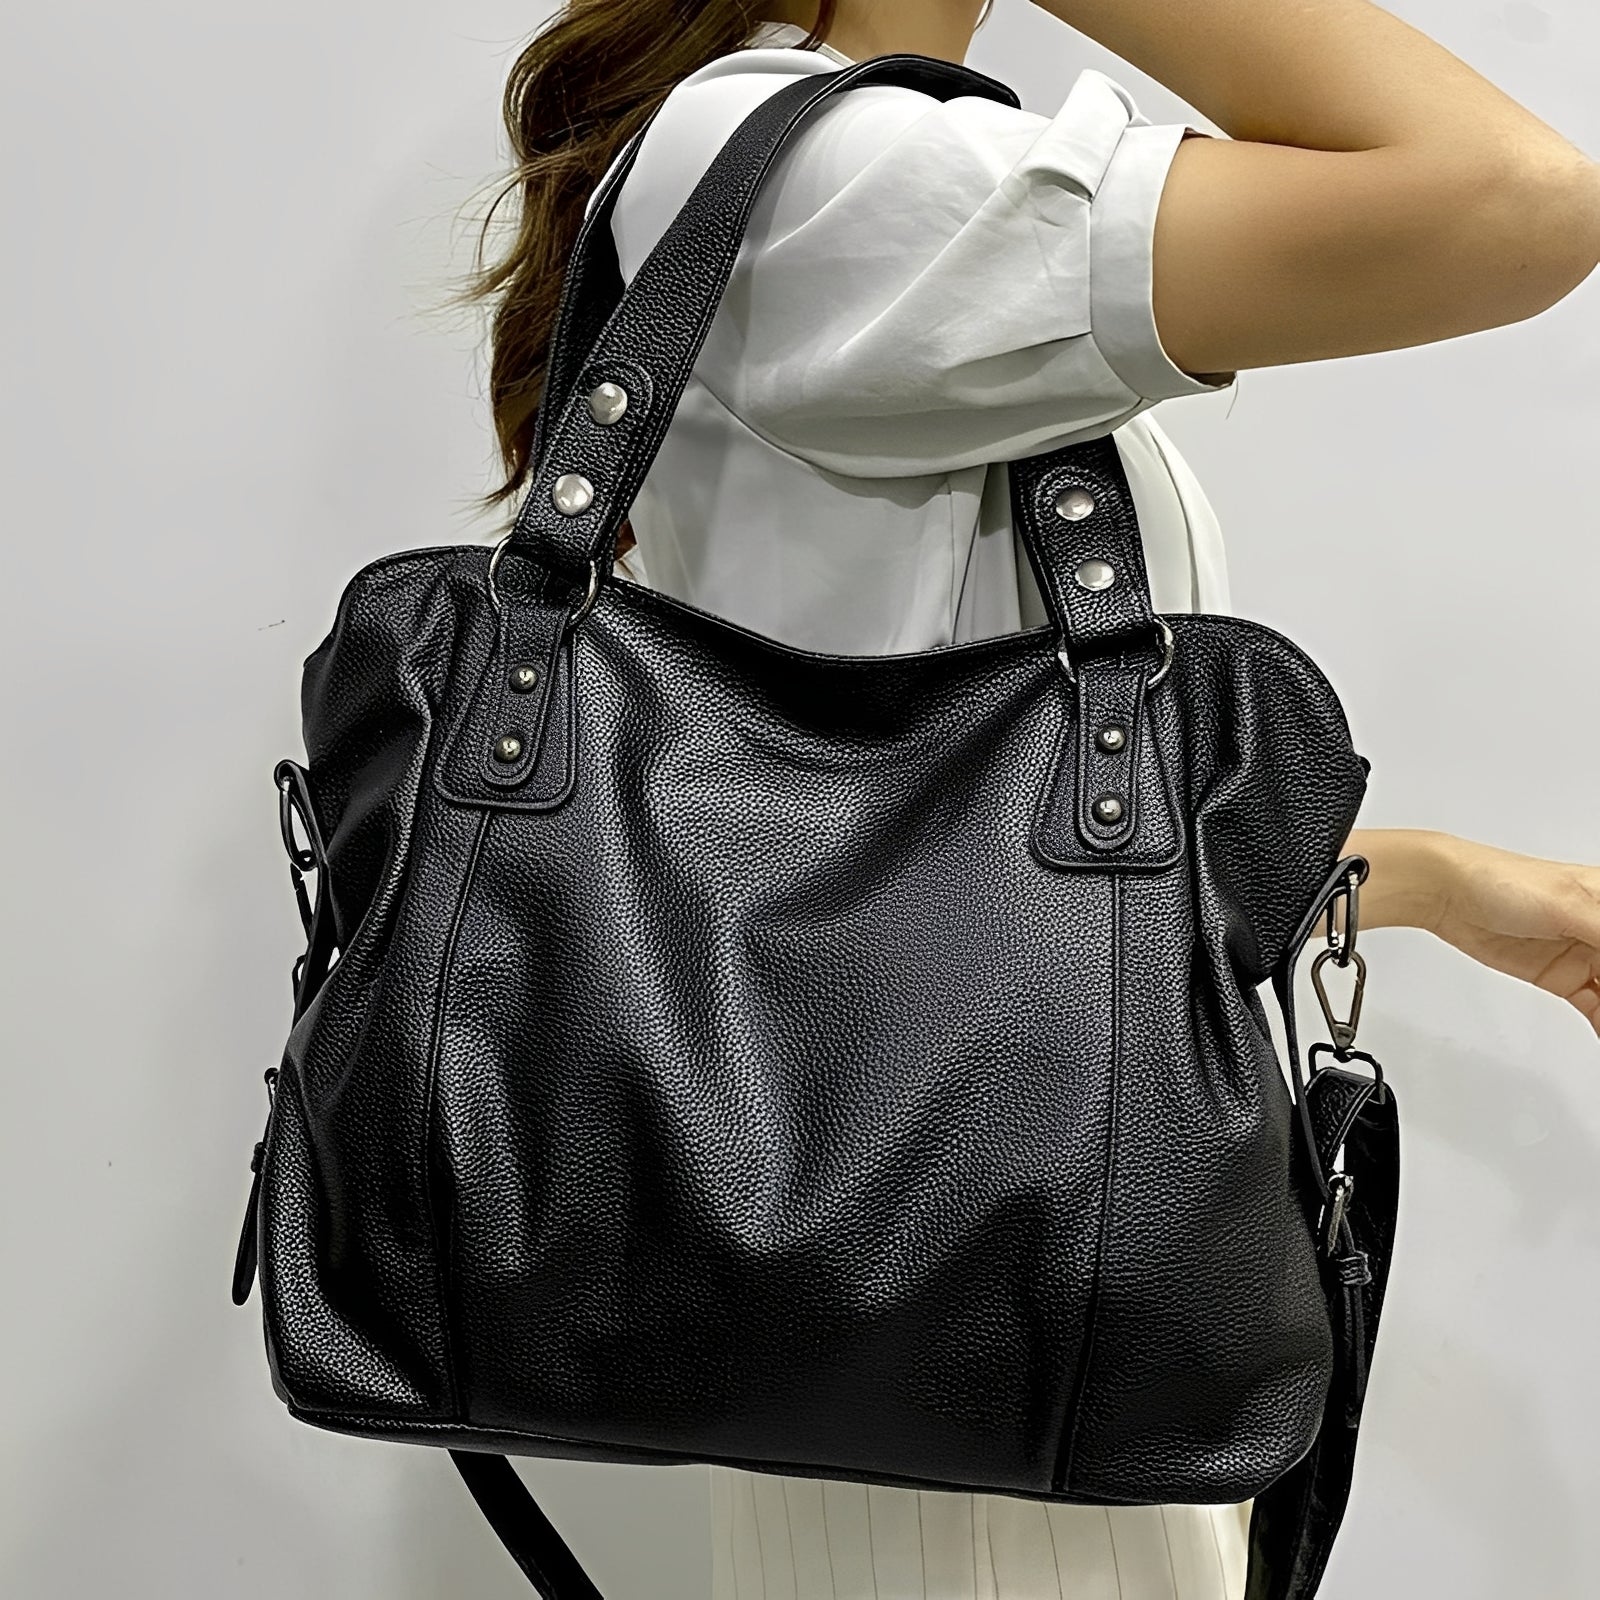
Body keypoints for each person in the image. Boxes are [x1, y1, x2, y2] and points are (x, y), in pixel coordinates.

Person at [452, 1, 1600, 1594]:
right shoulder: (835, 168)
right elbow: (1518, 196)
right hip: (987, 1405)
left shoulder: (847, 164)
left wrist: (1439, 883)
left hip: (992, 1353)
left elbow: (969, 860)